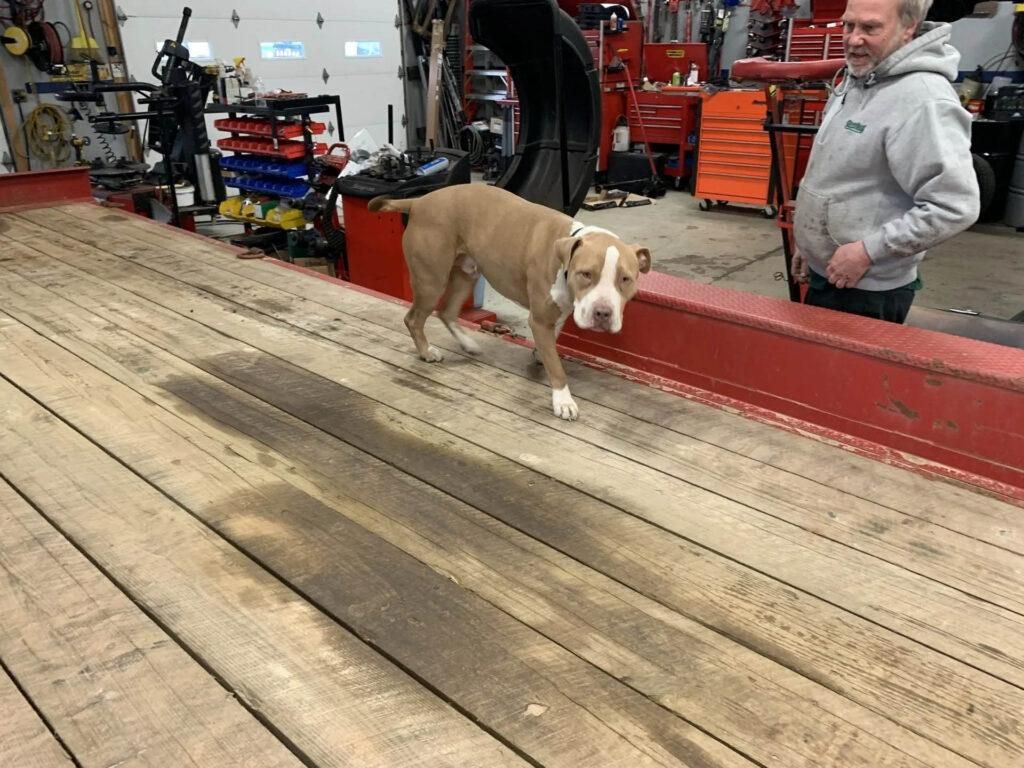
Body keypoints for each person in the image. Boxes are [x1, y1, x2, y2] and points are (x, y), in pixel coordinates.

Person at [792, 0, 980, 324]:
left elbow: (954, 205)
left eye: (870, 28)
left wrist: (868, 252)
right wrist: (811, 246)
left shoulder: (923, 100)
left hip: (865, 291)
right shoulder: (859, 77)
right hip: (830, 272)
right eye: (848, 25)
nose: (853, 39)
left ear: (908, 28)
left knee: (847, 375)